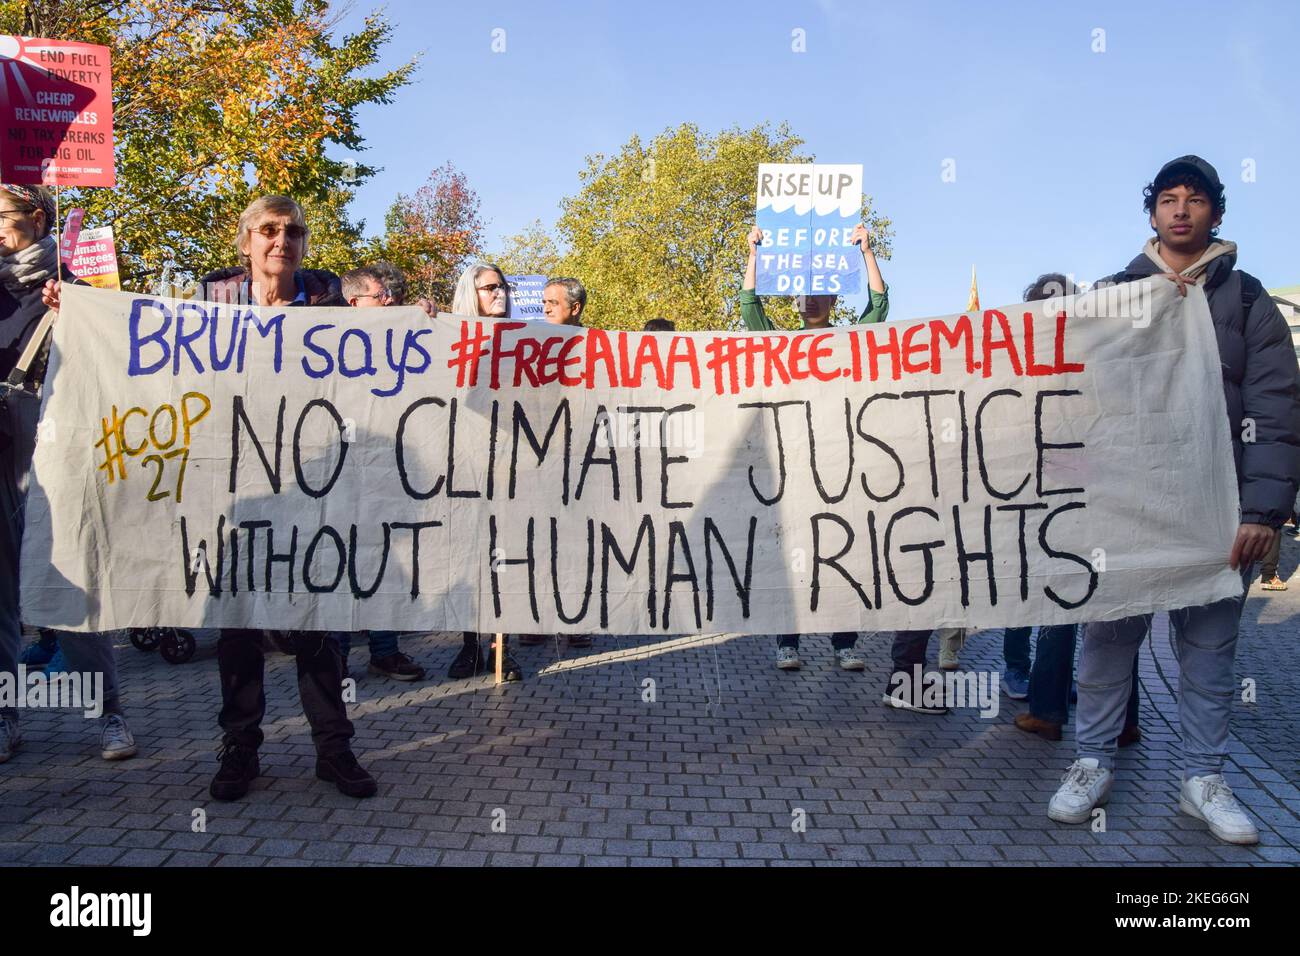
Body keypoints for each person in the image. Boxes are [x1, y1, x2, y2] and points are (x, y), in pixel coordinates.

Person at [1047, 156, 1300, 845]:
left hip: (1218, 511)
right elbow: (1072, 397)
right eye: (1168, 199)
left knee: (1211, 654)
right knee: (1106, 641)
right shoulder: (1110, 296)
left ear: (1216, 213)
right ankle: (1092, 761)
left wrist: (1263, 512)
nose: (1181, 210)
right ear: (1152, 212)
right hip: (1125, 507)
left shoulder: (1248, 301)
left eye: (1195, 200)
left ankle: (1203, 780)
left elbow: (1277, 408)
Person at [197, 195, 375, 800]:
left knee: (321, 623)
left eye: (293, 231)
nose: (281, 241)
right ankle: (240, 749)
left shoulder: (333, 311)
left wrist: (418, 322)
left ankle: (334, 749)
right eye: (268, 231)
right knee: (239, 627)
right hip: (240, 490)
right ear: (244, 242)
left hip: (316, 492)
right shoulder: (205, 308)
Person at [0, 184, 137, 764]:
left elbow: (119, 356)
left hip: (57, 450)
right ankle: (5, 718)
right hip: (2, 457)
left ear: (37, 216)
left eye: (1, 217)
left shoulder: (74, 284)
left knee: (73, 585)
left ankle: (108, 714)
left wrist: (76, 313)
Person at [741, 222, 888, 671]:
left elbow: (879, 307)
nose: (810, 300)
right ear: (793, 301)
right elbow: (749, 306)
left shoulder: (850, 342)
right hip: (795, 466)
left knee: (845, 554)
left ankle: (845, 643)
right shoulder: (779, 343)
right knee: (796, 557)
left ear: (832, 300)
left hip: (842, 462)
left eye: (819, 292)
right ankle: (789, 642)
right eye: (802, 293)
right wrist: (754, 253)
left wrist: (866, 252)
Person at [1006, 275, 1140, 745]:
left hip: (1061, 503)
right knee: (1117, 612)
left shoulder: (1033, 361)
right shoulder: (1102, 354)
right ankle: (1123, 720)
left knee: (1060, 609)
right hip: (1106, 499)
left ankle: (1047, 710)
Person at [329, 265, 430, 681]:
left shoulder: (400, 335)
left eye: (390, 294)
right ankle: (331, 656)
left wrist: (425, 317)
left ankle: (384, 652)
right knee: (334, 559)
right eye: (381, 295)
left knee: (384, 559)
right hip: (337, 475)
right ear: (354, 303)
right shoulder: (328, 340)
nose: (390, 299)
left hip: (387, 472)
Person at [445, 262, 524, 681]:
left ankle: (501, 649)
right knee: (469, 562)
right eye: (489, 288)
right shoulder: (451, 339)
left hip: (511, 470)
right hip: (466, 469)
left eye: (503, 286)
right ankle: (469, 647)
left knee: (504, 563)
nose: (500, 294)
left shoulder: (524, 341)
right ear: (470, 295)